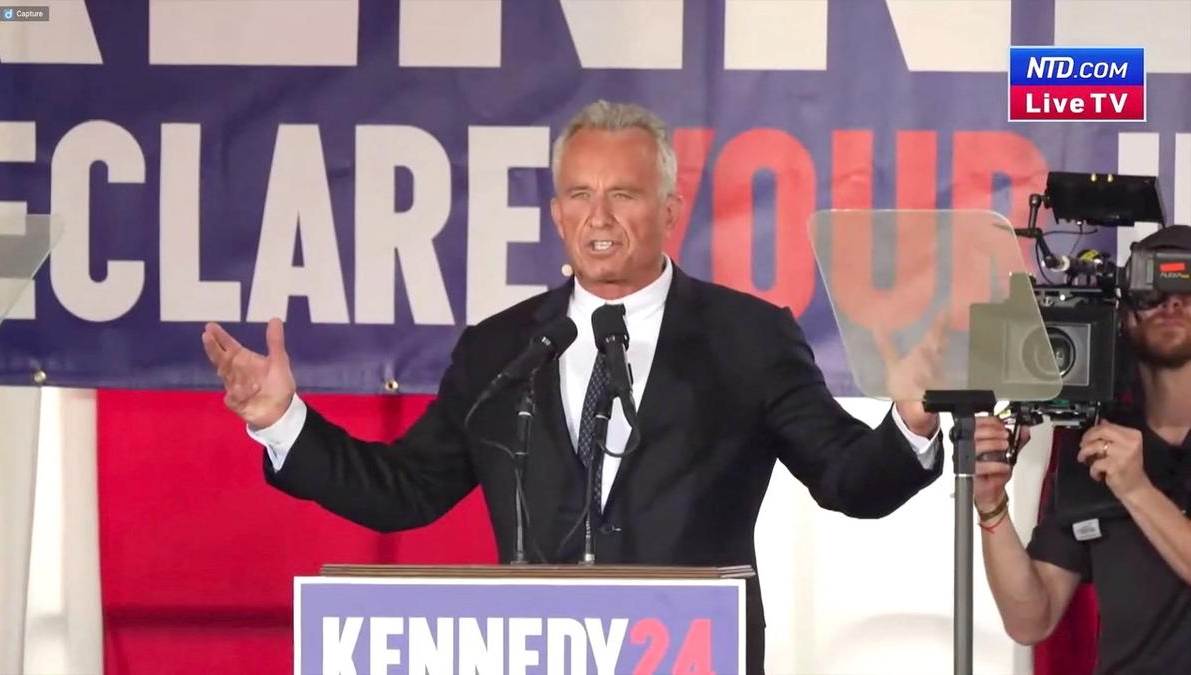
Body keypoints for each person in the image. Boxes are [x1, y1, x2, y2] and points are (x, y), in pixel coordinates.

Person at [203, 100, 945, 673]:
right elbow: (406, 490)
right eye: (580, 194)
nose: (599, 217)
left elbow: (847, 477)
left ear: (669, 210)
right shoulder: (501, 348)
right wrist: (282, 420)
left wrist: (909, 423)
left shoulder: (747, 337)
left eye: (624, 194)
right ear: (557, 214)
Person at [974, 225, 1191, 673]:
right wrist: (992, 505)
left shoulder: (1116, 462)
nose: (1172, 304)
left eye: (1189, 290)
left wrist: (1136, 490)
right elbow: (1031, 619)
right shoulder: (1094, 444)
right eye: (1151, 291)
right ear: (1123, 314)